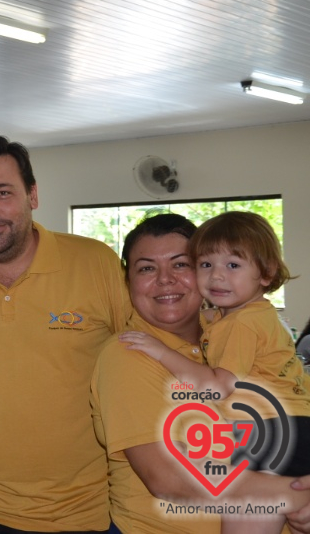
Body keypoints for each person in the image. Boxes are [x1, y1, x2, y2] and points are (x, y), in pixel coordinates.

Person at [0, 136, 132, 533]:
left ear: (32, 195)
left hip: (90, 511)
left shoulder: (95, 263)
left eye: (3, 193)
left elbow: (143, 364)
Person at [118, 211, 310, 534]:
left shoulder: (241, 324)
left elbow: (219, 386)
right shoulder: (246, 316)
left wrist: (161, 351)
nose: (217, 277)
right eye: (206, 265)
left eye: (233, 265)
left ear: (266, 273)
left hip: (272, 430)